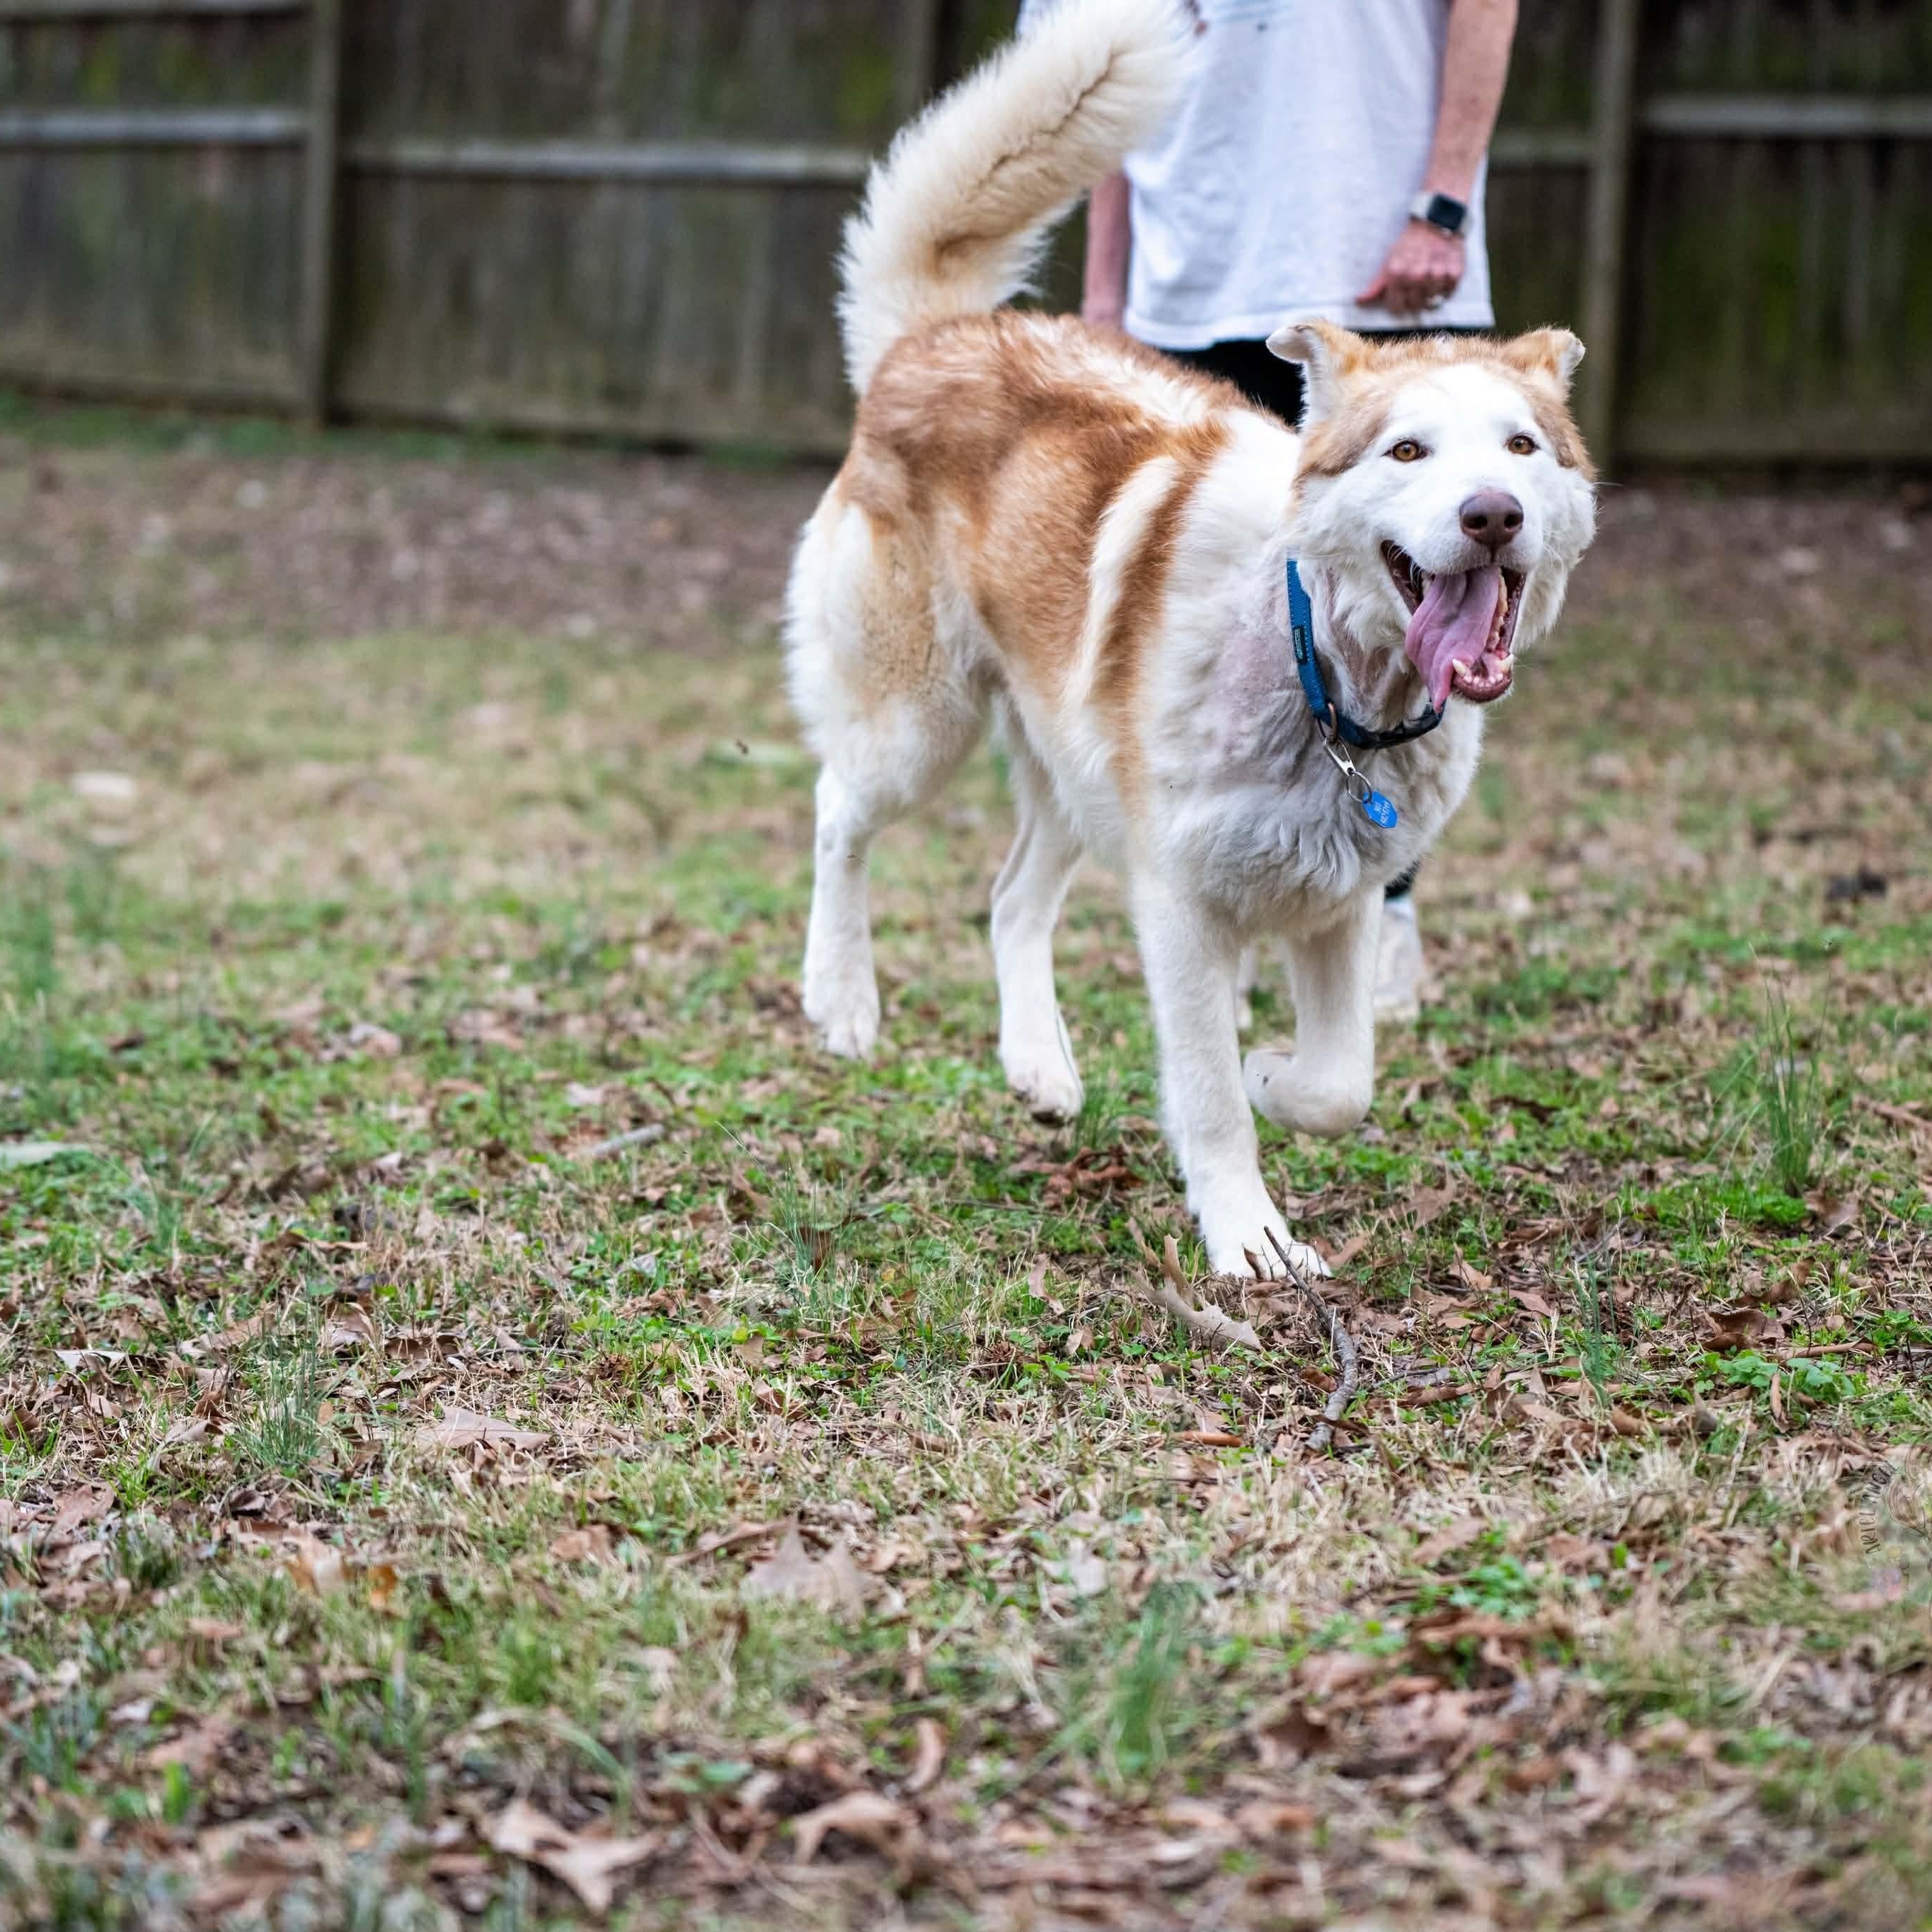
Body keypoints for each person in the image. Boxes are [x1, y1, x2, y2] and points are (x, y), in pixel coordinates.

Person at [1016, 0, 1519, 1023]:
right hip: (1187, 285)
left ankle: (1386, 908)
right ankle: (1221, 897)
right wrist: (1104, 293)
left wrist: (1446, 203)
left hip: (1385, 268)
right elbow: (1104, 62)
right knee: (1207, 625)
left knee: (1415, 604)